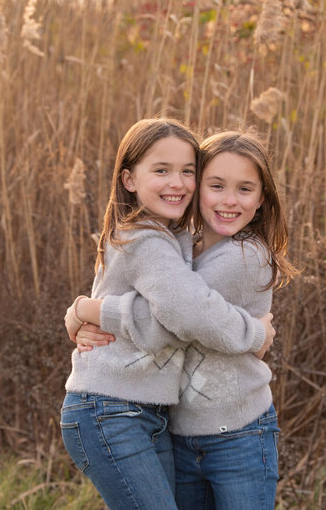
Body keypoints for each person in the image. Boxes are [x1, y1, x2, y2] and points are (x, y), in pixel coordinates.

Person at [72, 131, 297, 509]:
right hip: (180, 432)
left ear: (261, 200)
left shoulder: (244, 256)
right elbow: (172, 306)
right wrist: (80, 310)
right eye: (216, 185)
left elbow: (176, 318)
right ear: (198, 189)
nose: (229, 200)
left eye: (244, 189)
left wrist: (90, 310)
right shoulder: (178, 246)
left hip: (236, 434)